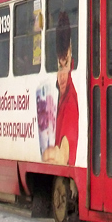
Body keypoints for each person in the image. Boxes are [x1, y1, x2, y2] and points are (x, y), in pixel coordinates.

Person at [43, 12, 79, 165]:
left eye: (66, 66)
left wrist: (48, 153)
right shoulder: (61, 98)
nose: (62, 75)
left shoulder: (69, 102)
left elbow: (63, 158)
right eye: (59, 67)